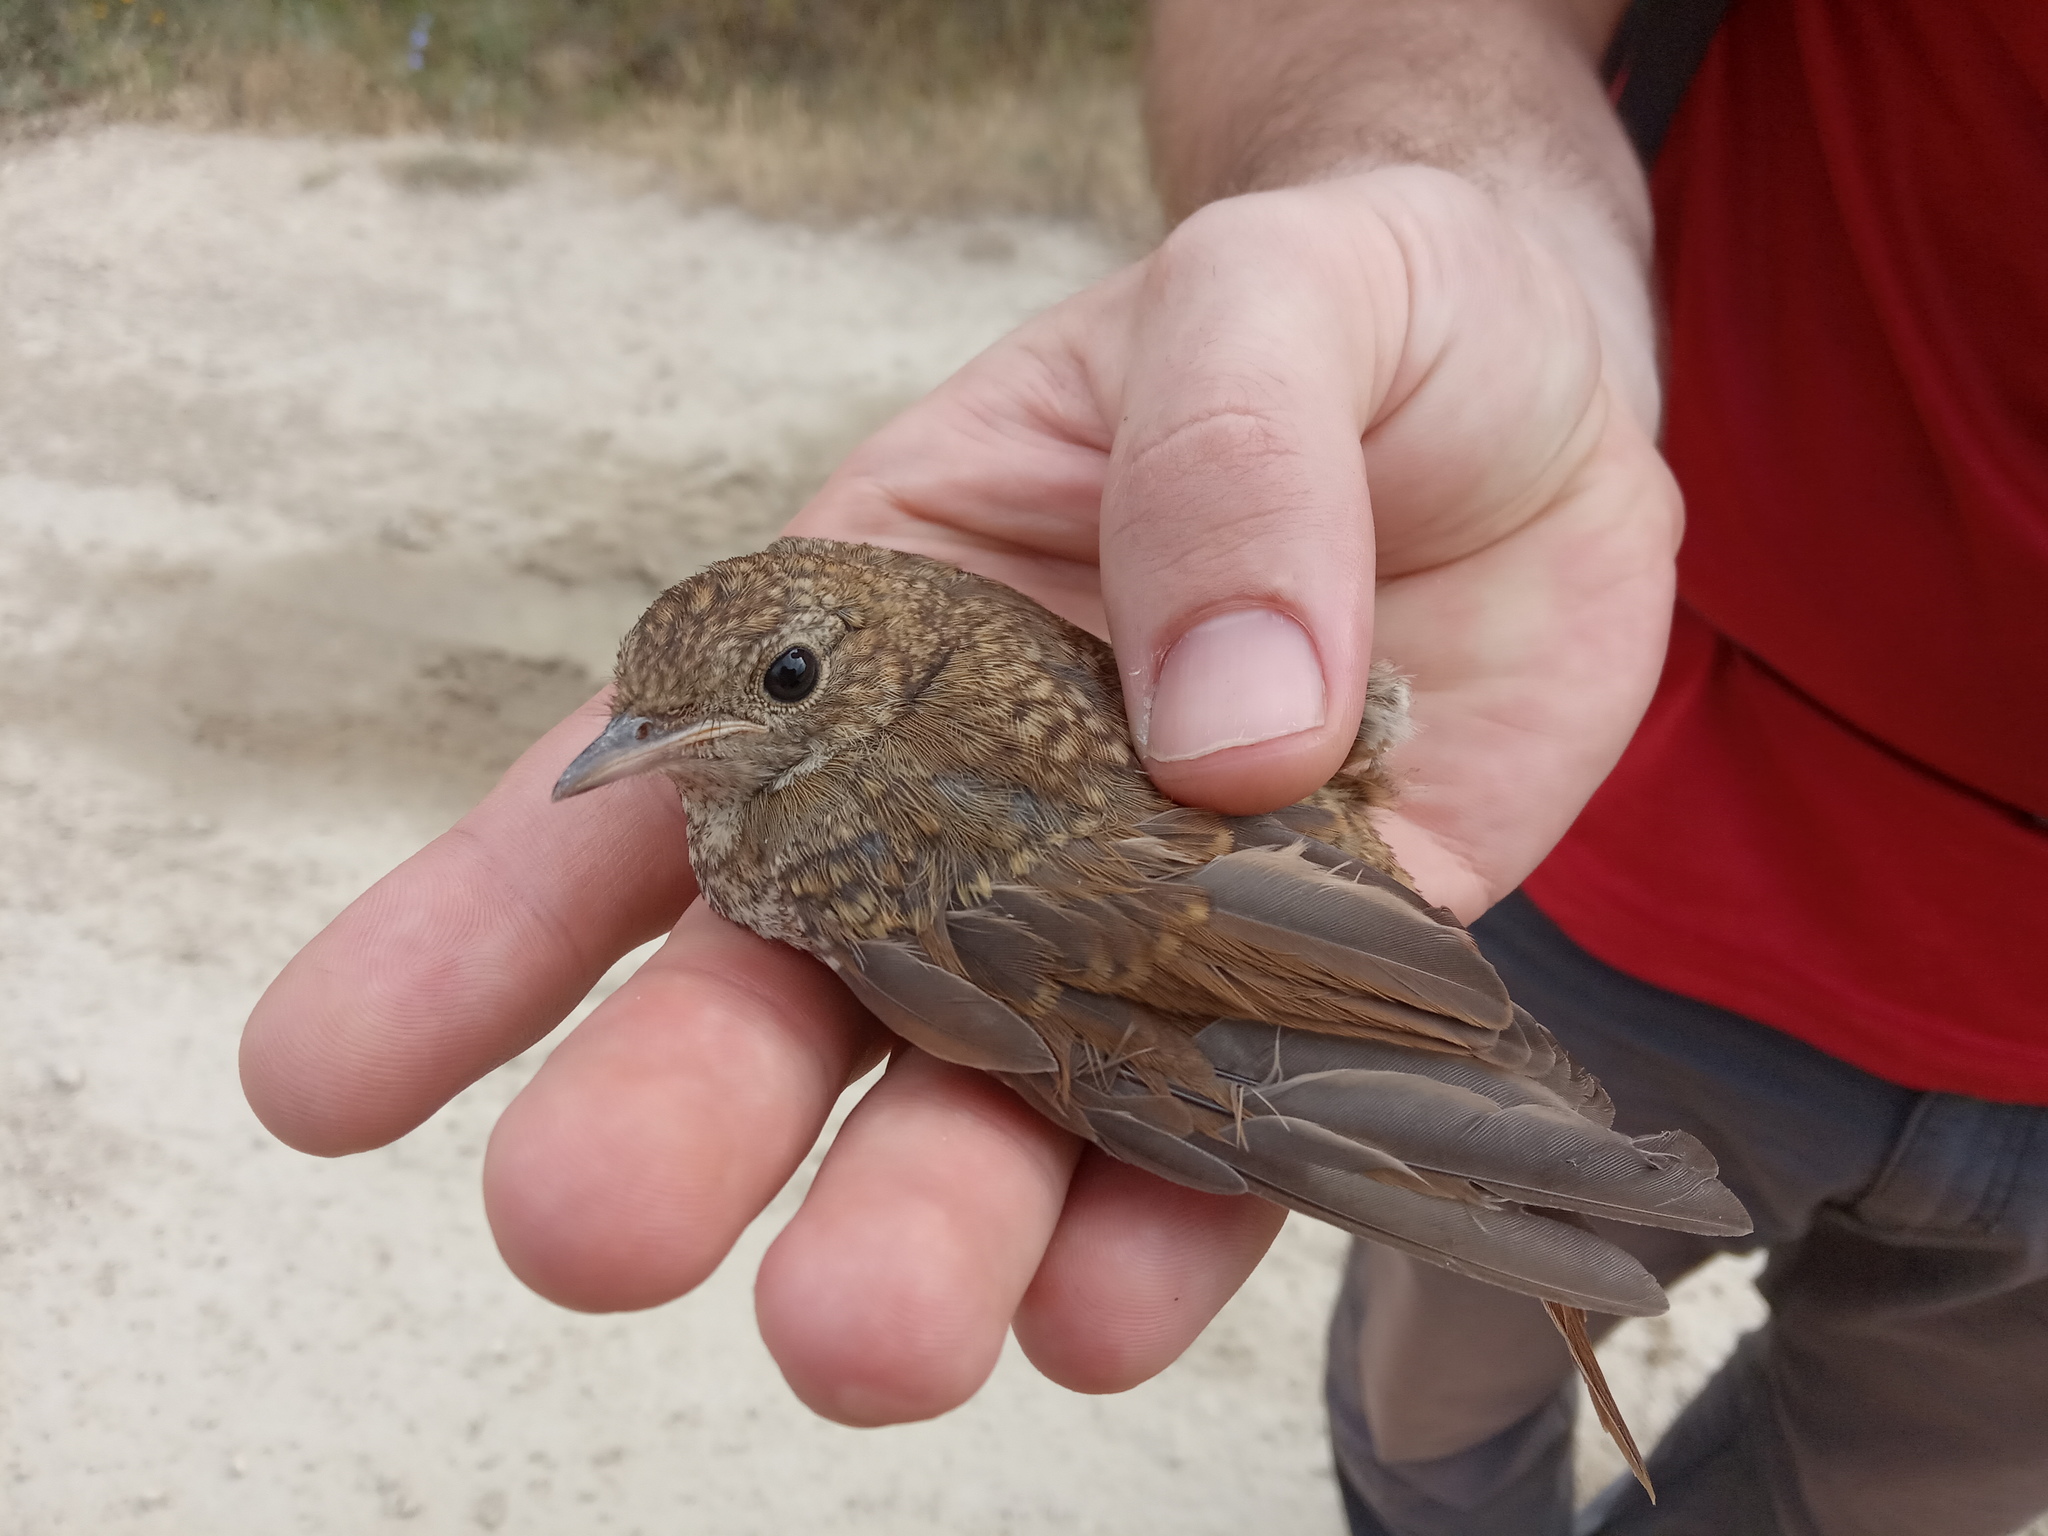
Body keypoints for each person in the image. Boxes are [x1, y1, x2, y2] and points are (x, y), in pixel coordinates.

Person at [239, 1, 2048, 1532]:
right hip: (1611, 850)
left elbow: (1164, 1023)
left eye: (772, 689)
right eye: (648, 717)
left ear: (856, 664)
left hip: (1447, 914)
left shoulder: (874, 843)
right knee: (1437, 1423)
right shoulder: (839, 770)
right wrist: (1453, 200)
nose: (655, 752)